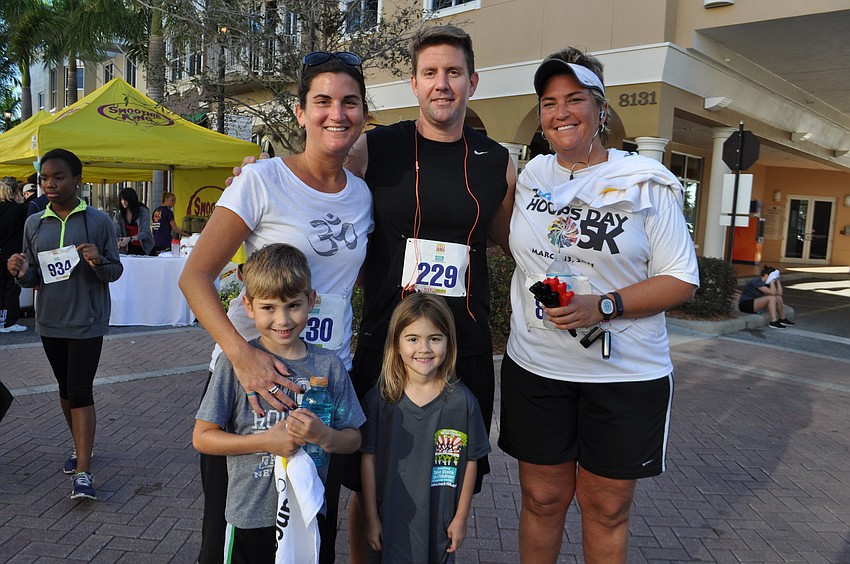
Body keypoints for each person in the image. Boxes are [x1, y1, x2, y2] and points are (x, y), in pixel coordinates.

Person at [499, 49, 699, 563]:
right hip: (538, 366)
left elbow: (681, 280)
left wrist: (603, 305)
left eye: (575, 99)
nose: (561, 112)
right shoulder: (532, 176)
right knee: (542, 499)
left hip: (625, 375)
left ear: (600, 108)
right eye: (549, 103)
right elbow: (504, 241)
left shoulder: (646, 182)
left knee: (606, 507)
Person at [179, 51, 373, 564]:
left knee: (310, 526)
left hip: (324, 377)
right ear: (300, 112)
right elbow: (194, 276)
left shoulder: (362, 196)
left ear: (364, 112)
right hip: (252, 380)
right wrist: (243, 357)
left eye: (349, 102)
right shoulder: (261, 180)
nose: (337, 113)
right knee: (232, 531)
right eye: (323, 101)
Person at [193, 243, 365, 563]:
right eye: (268, 307)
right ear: (248, 305)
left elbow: (353, 437)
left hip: (310, 515)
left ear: (311, 300)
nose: (283, 319)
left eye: (293, 305)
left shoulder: (330, 367)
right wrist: (266, 441)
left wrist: (324, 436)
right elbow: (202, 437)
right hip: (249, 517)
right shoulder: (236, 367)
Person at [6, 148, 123, 500]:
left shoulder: (99, 221)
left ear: (77, 179)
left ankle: (84, 472)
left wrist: (99, 261)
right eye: (45, 178)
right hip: (50, 321)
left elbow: (115, 271)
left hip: (86, 320)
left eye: (58, 177)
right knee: (64, 390)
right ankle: (78, 447)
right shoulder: (34, 222)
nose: (51, 184)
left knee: (80, 390)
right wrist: (21, 273)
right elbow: (33, 276)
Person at [361, 293, 490, 564]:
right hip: (391, 522)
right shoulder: (381, 400)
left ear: (449, 342)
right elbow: (368, 459)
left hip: (438, 525)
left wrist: (461, 518)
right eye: (413, 339)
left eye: (435, 338)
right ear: (396, 344)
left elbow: (470, 462)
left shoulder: (462, 402)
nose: (424, 349)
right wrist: (371, 517)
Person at [0, 180, 28, 332]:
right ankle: (9, 321)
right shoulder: (18, 210)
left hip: (2, 252)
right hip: (13, 253)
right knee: (12, 287)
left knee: (2, 287)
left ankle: (2, 320)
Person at [112, 187, 154, 255]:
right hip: (128, 248)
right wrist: (118, 242)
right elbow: (116, 231)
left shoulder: (143, 211)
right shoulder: (119, 214)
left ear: (132, 200)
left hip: (145, 247)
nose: (124, 202)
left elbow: (146, 232)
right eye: (122, 199)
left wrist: (130, 238)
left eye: (126, 200)